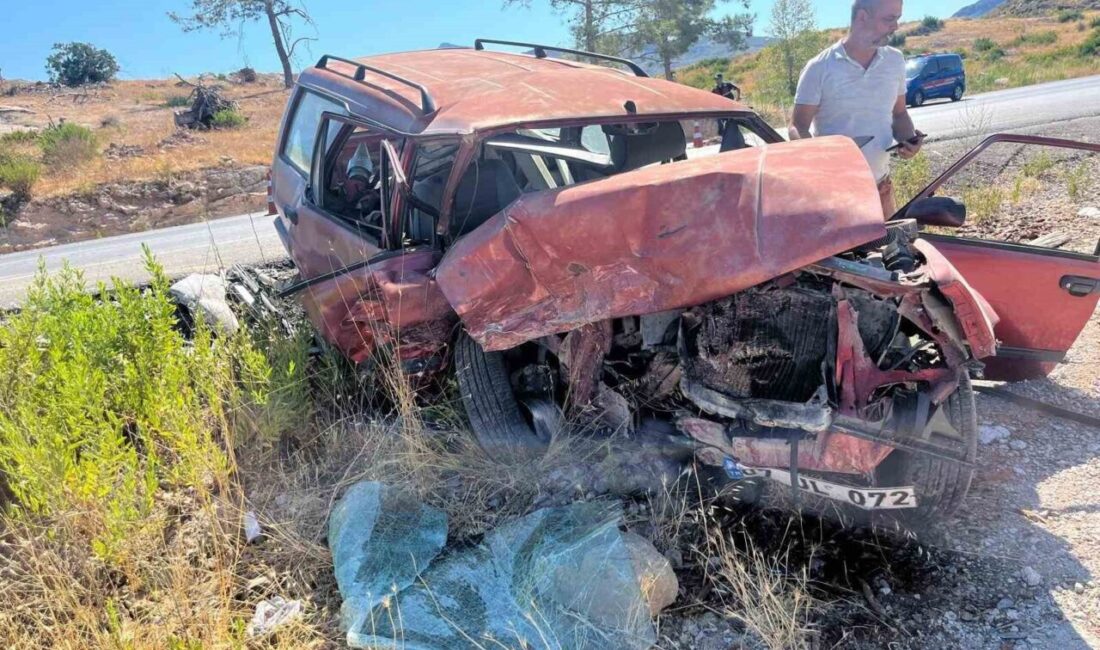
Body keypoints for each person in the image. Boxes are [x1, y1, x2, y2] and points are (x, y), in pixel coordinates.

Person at [788, 0, 924, 218]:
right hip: (835, 196)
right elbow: (797, 126)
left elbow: (898, 114)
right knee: (843, 254)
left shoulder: (895, 61)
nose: (896, 26)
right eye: (889, 19)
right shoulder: (820, 67)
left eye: (898, 19)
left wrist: (909, 140)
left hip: (881, 187)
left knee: (892, 251)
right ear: (862, 17)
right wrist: (816, 163)